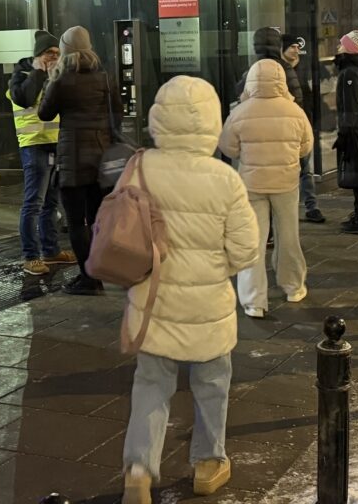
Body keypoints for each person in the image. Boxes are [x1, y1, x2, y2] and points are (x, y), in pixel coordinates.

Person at [120, 76, 259, 504]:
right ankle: (207, 463)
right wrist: (217, 268)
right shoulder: (225, 179)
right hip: (207, 305)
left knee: (150, 384)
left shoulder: (140, 167)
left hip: (152, 298)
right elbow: (246, 249)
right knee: (213, 383)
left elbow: (120, 230)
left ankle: (139, 471)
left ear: (159, 119)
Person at [219, 60, 313, 318]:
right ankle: (293, 287)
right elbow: (306, 147)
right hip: (286, 182)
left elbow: (228, 147)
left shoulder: (240, 112)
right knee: (288, 236)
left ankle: (253, 301)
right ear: (281, 80)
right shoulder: (295, 112)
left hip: (251, 185)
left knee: (254, 240)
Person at [37, 25, 121, 295]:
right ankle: (99, 272)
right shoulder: (105, 77)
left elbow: (45, 113)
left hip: (73, 158)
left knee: (75, 222)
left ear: (65, 50)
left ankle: (88, 278)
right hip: (101, 157)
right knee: (96, 219)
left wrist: (50, 78)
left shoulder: (62, 79)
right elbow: (116, 116)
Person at [8, 31, 73, 276]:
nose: (54, 57)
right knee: (33, 203)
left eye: (57, 53)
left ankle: (51, 250)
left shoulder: (56, 76)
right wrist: (37, 71)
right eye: (49, 53)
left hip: (56, 143)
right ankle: (31, 256)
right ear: (38, 55)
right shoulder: (21, 76)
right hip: (34, 144)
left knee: (50, 203)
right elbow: (23, 98)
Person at [334, 27, 358, 235]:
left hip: (356, 130)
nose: (338, 46)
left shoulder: (349, 73)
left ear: (349, 49)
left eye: (342, 43)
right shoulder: (356, 71)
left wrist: (344, 134)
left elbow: (349, 108)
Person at [282, 33, 325, 224]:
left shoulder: (302, 66)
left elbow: (308, 93)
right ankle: (287, 208)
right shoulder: (277, 69)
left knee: (305, 168)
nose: (296, 49)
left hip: (301, 124)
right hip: (283, 127)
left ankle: (311, 206)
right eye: (292, 46)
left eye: (297, 47)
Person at [234, 26, 302, 103]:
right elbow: (297, 98)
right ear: (279, 46)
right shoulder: (285, 68)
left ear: (256, 46)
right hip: (281, 112)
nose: (296, 51)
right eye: (292, 47)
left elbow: (240, 93)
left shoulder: (253, 69)